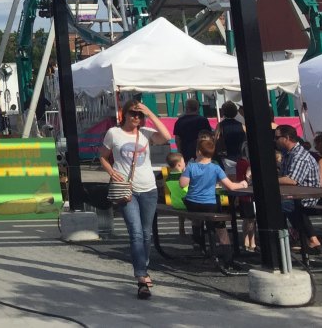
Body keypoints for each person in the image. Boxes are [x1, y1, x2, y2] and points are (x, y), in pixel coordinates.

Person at [99, 99, 172, 300]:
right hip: (126, 190)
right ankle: (141, 276)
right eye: (133, 113)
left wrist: (149, 111)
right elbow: (103, 155)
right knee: (136, 233)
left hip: (148, 188)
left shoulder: (146, 134)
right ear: (125, 113)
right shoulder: (114, 133)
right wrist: (111, 171)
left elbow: (166, 136)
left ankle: (143, 268)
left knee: (147, 234)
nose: (136, 118)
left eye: (139, 115)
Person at [179, 136, 247, 262]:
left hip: (192, 203)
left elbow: (182, 184)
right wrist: (242, 184)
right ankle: (227, 258)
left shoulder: (191, 167)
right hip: (209, 204)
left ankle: (199, 242)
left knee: (196, 219)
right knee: (221, 229)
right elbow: (230, 186)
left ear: (198, 152)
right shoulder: (216, 168)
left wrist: (184, 171)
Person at [275, 124, 321, 255]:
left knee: (279, 206)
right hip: (296, 195)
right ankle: (307, 239)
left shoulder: (299, 156)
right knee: (280, 203)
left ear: (287, 138)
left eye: (277, 137)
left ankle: (286, 240)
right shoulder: (289, 154)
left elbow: (291, 180)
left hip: (307, 196)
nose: (275, 140)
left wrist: (269, 181)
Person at [214, 101, 246, 177]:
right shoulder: (242, 125)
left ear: (223, 112)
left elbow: (216, 140)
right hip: (240, 157)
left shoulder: (220, 126)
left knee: (230, 178)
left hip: (227, 156)